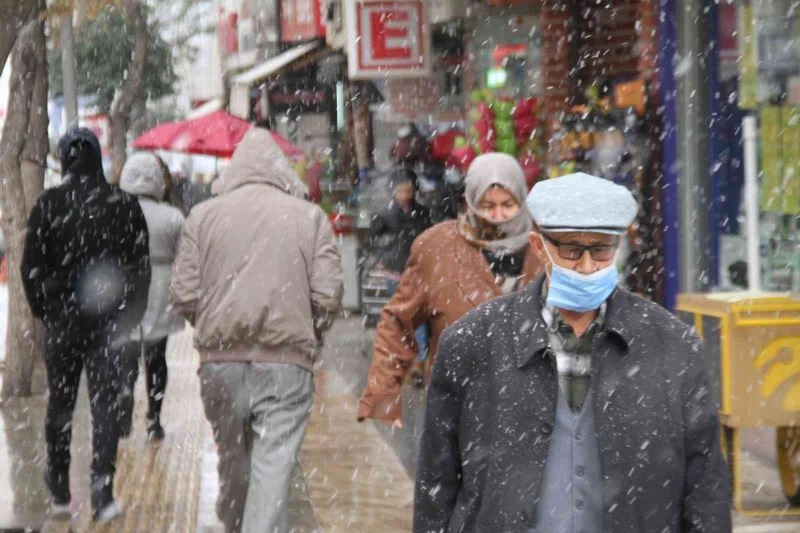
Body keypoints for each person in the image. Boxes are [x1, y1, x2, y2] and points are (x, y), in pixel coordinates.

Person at [414, 172, 731, 532]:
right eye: (571, 250)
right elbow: (437, 481)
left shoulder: (672, 345)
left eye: (601, 250)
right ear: (538, 245)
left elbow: (705, 485)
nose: (586, 267)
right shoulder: (473, 341)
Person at [170, 128, 343, 533]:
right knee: (273, 471)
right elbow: (329, 294)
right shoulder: (309, 217)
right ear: (280, 168)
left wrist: (215, 327)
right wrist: (308, 330)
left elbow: (183, 294)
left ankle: (234, 522)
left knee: (235, 464)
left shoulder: (203, 216)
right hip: (286, 365)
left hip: (219, 365)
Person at [20, 128, 151, 522]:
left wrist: (46, 311)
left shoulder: (48, 204)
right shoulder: (124, 204)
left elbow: (30, 267)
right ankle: (102, 490)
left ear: (64, 160)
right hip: (109, 325)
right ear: (98, 159)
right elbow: (140, 268)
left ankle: (60, 488)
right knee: (105, 407)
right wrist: (129, 315)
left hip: (63, 325)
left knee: (60, 405)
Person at [357, 153, 543, 425]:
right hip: (458, 413)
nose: (497, 215)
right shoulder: (438, 248)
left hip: (533, 414)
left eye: (507, 204)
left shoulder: (544, 248)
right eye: (487, 205)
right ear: (470, 201)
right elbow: (398, 321)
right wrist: (384, 395)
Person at [117, 152, 186, 440]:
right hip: (161, 285)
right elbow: (185, 257)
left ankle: (124, 395)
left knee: (128, 354)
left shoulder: (117, 212)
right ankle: (154, 417)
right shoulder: (172, 216)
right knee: (157, 357)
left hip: (128, 285)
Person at [370, 169, 432, 385]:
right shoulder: (385, 214)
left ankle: (419, 361)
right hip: (395, 271)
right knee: (398, 316)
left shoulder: (422, 213)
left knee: (417, 317)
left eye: (408, 191)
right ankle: (401, 358)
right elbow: (374, 239)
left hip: (416, 271)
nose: (404, 195)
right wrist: (383, 258)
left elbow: (428, 238)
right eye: (400, 191)